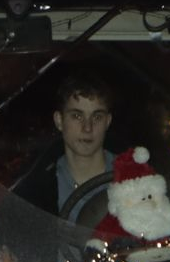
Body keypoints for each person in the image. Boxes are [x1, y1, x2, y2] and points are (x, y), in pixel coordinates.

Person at [11, 70, 116, 218]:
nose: (87, 128)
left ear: (108, 122)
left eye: (97, 117)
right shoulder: (37, 188)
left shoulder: (134, 176)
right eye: (77, 116)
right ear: (59, 120)